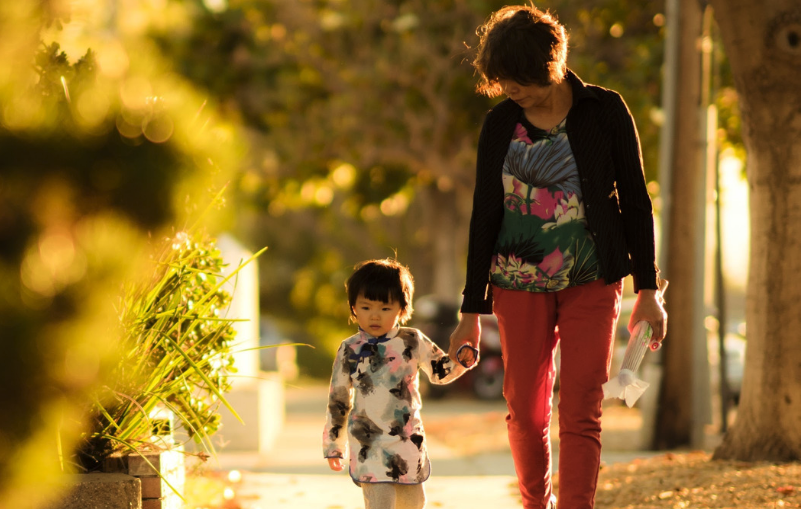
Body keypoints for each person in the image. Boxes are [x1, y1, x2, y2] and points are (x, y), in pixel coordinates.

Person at [447, 5, 668, 509]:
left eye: (517, 79)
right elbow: (484, 213)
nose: (508, 89)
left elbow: (635, 200)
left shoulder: (605, 110)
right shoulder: (500, 123)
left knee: (582, 408)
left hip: (594, 279)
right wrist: (470, 311)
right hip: (515, 280)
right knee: (525, 411)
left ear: (549, 66)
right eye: (500, 80)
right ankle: (534, 503)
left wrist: (649, 291)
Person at [323, 258, 478, 509]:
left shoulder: (412, 340)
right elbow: (338, 400)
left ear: (402, 308)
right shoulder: (349, 349)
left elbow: (441, 372)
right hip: (368, 445)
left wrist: (462, 359)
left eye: (385, 308)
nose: (374, 315)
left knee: (414, 503)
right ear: (353, 308)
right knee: (381, 503)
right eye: (365, 307)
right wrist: (333, 445)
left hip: (407, 442)